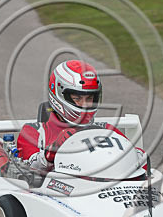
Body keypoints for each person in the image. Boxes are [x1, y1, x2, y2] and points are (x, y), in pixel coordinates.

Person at [17, 59, 145, 172]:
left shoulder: (107, 129)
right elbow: (27, 170)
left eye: (89, 98)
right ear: (59, 95)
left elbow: (140, 160)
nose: (85, 105)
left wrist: (138, 157)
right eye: (77, 98)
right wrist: (51, 152)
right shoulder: (34, 132)